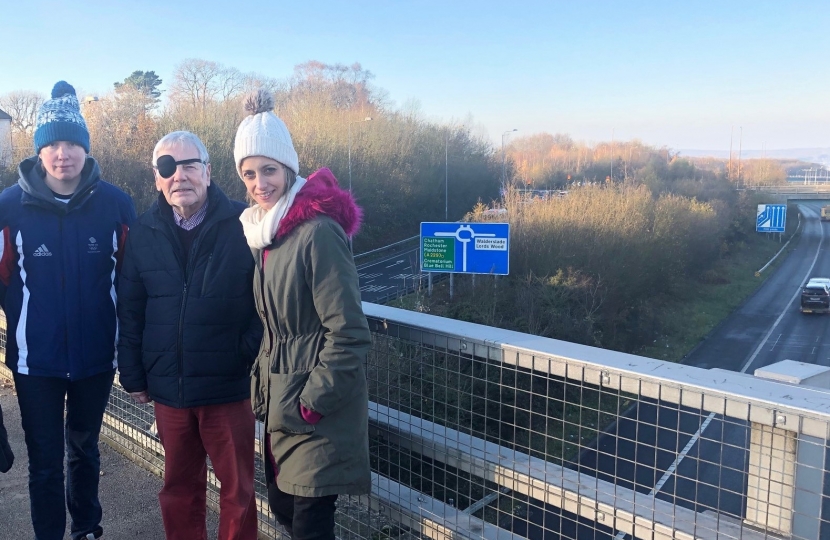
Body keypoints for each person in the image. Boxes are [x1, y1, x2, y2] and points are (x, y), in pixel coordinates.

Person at [0, 81, 136, 540]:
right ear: (40, 150)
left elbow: (133, 283)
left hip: (96, 358)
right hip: (33, 361)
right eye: (54, 143)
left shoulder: (117, 206)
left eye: (73, 143)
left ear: (86, 150)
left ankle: (86, 530)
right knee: (44, 463)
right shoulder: (7, 208)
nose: (64, 153)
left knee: (85, 450)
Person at [234, 89, 372, 540]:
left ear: (288, 168)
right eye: (249, 174)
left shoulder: (317, 233)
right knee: (289, 518)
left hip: (314, 413)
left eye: (269, 170)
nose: (260, 184)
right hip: (281, 409)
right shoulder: (266, 234)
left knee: (310, 527)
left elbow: (349, 333)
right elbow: (274, 330)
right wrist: (263, 387)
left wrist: (311, 404)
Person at [116, 130, 262, 540]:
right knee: (178, 491)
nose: (178, 176)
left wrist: (242, 354)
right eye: (167, 167)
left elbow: (266, 304)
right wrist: (133, 372)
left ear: (209, 172)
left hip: (229, 388)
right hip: (170, 389)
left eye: (189, 165)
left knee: (238, 493)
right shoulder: (142, 232)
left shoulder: (245, 225)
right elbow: (131, 308)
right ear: (156, 179)